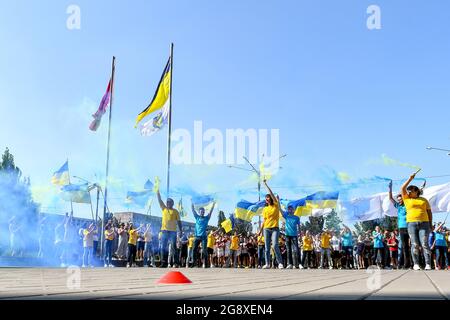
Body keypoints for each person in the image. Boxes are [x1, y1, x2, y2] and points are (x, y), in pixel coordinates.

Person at [401, 171, 433, 270]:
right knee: (414, 244)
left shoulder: (424, 200)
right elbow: (402, 188)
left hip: (424, 223)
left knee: (424, 243)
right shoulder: (406, 199)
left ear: (416, 191)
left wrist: (431, 224)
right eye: (408, 191)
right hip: (411, 224)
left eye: (411, 191)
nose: (409, 192)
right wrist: (410, 179)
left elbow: (429, 213)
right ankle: (416, 264)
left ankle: (428, 264)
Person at [258, 179, 284, 269]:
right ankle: (267, 264)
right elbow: (264, 220)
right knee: (267, 247)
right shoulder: (265, 209)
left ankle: (280, 263)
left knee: (275, 245)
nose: (267, 199)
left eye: (268, 197)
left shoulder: (276, 205)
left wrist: (265, 185)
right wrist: (260, 231)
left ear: (271, 199)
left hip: (275, 228)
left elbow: (271, 193)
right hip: (266, 229)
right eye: (266, 198)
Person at [157, 188, 182, 268]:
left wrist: (180, 230)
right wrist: (157, 191)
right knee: (163, 247)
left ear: (172, 203)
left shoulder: (175, 211)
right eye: (167, 202)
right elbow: (159, 200)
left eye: (169, 202)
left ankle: (176, 263)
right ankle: (163, 263)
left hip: (173, 232)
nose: (168, 203)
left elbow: (179, 221)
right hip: (164, 231)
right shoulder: (164, 208)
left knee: (174, 248)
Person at [388, 181, 411, 269]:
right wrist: (390, 189)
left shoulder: (407, 205)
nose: (399, 200)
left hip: (410, 226)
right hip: (401, 228)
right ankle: (405, 264)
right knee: (404, 246)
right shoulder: (398, 206)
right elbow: (390, 198)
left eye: (400, 198)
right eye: (398, 199)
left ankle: (414, 263)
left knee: (412, 245)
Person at [191, 201, 216, 268]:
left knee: (204, 250)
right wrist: (192, 202)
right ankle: (194, 264)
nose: (202, 212)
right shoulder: (197, 217)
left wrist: (213, 204)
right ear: (199, 212)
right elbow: (193, 210)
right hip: (197, 236)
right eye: (201, 211)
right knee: (194, 249)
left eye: (203, 211)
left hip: (204, 237)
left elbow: (211, 211)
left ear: (204, 212)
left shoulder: (206, 218)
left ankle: (206, 264)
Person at [281, 205, 301, 269]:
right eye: (289, 209)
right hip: (287, 235)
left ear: (294, 210)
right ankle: (290, 264)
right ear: (288, 210)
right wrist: (278, 201)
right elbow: (280, 210)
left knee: (296, 250)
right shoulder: (286, 216)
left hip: (294, 235)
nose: (290, 210)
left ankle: (299, 264)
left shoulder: (297, 218)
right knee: (289, 250)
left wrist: (300, 235)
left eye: (292, 209)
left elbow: (299, 227)